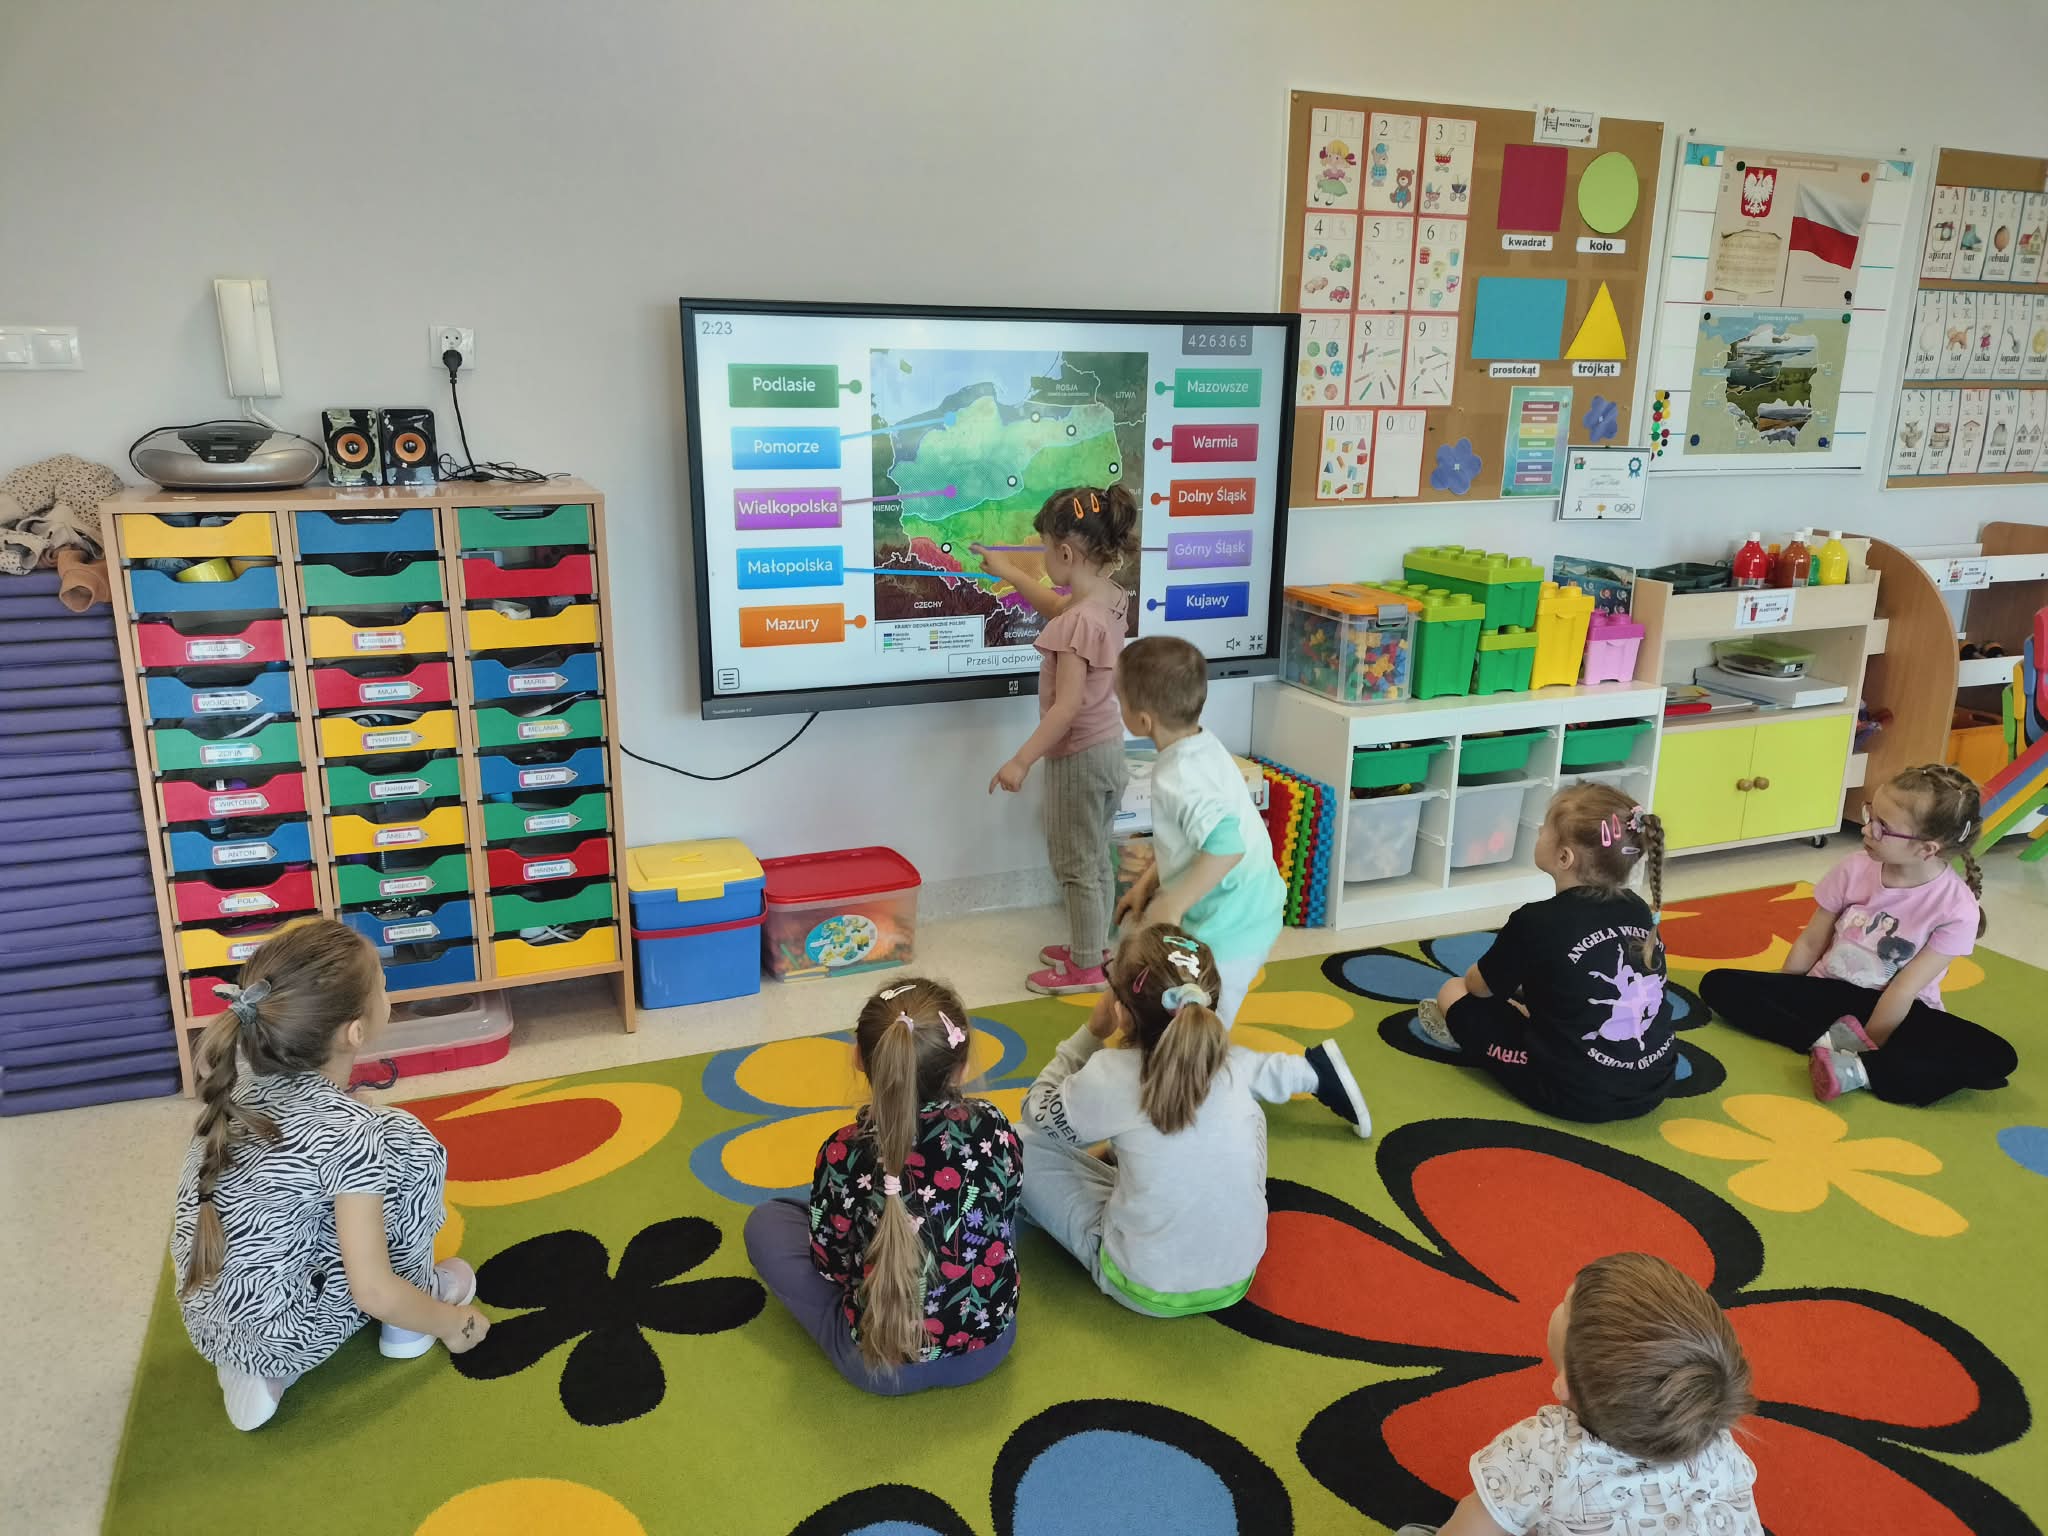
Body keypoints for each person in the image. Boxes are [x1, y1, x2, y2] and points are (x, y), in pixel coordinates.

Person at [170, 920, 488, 1432]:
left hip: (209, 1327)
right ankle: (412, 1321)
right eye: (382, 984)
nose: (387, 991)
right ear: (355, 1032)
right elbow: (372, 1291)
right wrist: (456, 1323)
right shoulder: (352, 1134)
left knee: (341, 1175)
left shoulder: (239, 1082)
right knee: (411, 1143)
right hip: (290, 1334)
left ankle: (252, 1371)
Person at [1019, 925, 1370, 1319]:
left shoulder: (1110, 1075)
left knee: (1017, 1142)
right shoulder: (1234, 1065)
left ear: (1121, 1011)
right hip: (1237, 1276)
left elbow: (1036, 1110)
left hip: (1141, 1283)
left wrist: (1091, 1033)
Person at [743, 977, 1021, 1394]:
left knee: (767, 1222)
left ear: (859, 1058)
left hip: (878, 1365)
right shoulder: (994, 1125)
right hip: (990, 1344)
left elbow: (831, 1266)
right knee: (992, 1213)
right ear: (962, 1067)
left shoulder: (843, 1152)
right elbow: (1009, 1203)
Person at [1700, 763, 2016, 1104]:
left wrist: (1867, 1042)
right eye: (1870, 815)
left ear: (1927, 849)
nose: (1867, 829)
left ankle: (1859, 1067)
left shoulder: (1957, 909)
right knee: (1719, 984)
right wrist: (1784, 989)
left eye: (1882, 827)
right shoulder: (1855, 866)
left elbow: (1904, 988)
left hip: (1896, 1011)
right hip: (1829, 991)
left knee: (1998, 1057)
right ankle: (1835, 1049)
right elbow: (1811, 941)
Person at [1395, 1252, 1763, 1536]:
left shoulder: (1546, 1449)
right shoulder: (1715, 1439)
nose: (1558, 1306)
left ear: (1565, 1384)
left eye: (1565, 1305)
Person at [1417, 783, 1675, 1123]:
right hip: (1654, 1082)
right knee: (1548, 986)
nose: (1539, 830)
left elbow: (1478, 987)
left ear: (1564, 857)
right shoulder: (1638, 908)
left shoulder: (1535, 920)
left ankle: (1472, 1038)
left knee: (1452, 991)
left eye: (1546, 828)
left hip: (1571, 1092)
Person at [979, 484, 1140, 995]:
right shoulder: (1108, 598)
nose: (1044, 558)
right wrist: (1009, 572)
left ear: (1066, 554)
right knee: (1094, 858)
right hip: (1108, 750)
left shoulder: (1076, 623)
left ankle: (1086, 966)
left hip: (1078, 760)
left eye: (1046, 549)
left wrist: (1021, 760)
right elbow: (1055, 605)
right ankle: (1096, 947)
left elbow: (1065, 708)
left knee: (1076, 865)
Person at [1112, 635, 1287, 1027]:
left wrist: (1173, 902)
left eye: (1119, 699)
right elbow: (1192, 840)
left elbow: (1227, 846)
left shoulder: (1181, 775)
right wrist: (1149, 883)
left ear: (1143, 721)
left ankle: (1213, 1056)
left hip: (1234, 923)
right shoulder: (1198, 744)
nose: (1117, 705)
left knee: (1203, 1023)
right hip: (1237, 904)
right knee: (1177, 1001)